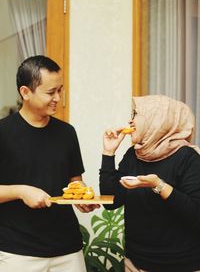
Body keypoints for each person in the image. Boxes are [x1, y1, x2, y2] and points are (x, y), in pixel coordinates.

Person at [0, 55, 99, 272]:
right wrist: (21, 191)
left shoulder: (67, 132)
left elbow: (75, 182)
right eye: (50, 92)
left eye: (60, 90)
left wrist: (81, 197)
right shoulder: (3, 132)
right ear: (25, 92)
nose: (57, 97)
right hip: (18, 252)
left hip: (68, 249)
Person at [99, 95, 200, 272]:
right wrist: (108, 153)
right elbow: (111, 201)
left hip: (180, 265)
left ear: (159, 120)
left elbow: (195, 215)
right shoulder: (134, 154)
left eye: (136, 114)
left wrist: (158, 185)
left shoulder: (188, 157)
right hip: (135, 262)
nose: (130, 120)